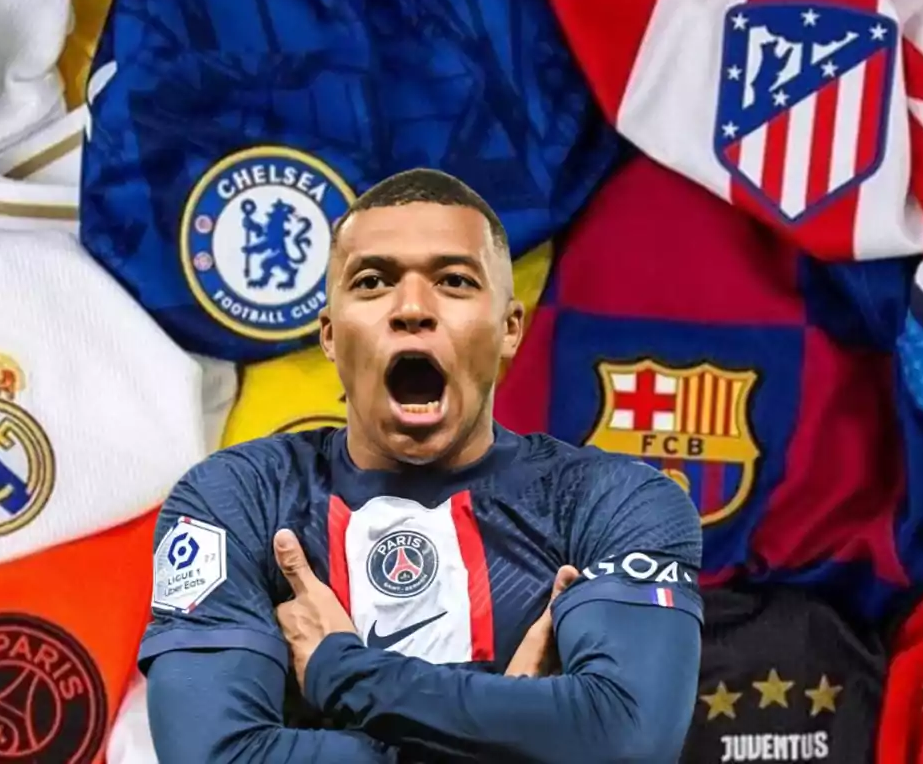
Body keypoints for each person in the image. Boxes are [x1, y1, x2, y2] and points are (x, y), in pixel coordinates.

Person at [140, 168, 703, 762]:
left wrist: (340, 668)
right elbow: (215, 756)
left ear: (510, 328)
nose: (411, 307)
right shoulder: (238, 498)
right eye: (374, 281)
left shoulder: (613, 502)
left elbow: (629, 742)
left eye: (454, 281)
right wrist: (519, 741)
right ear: (330, 335)